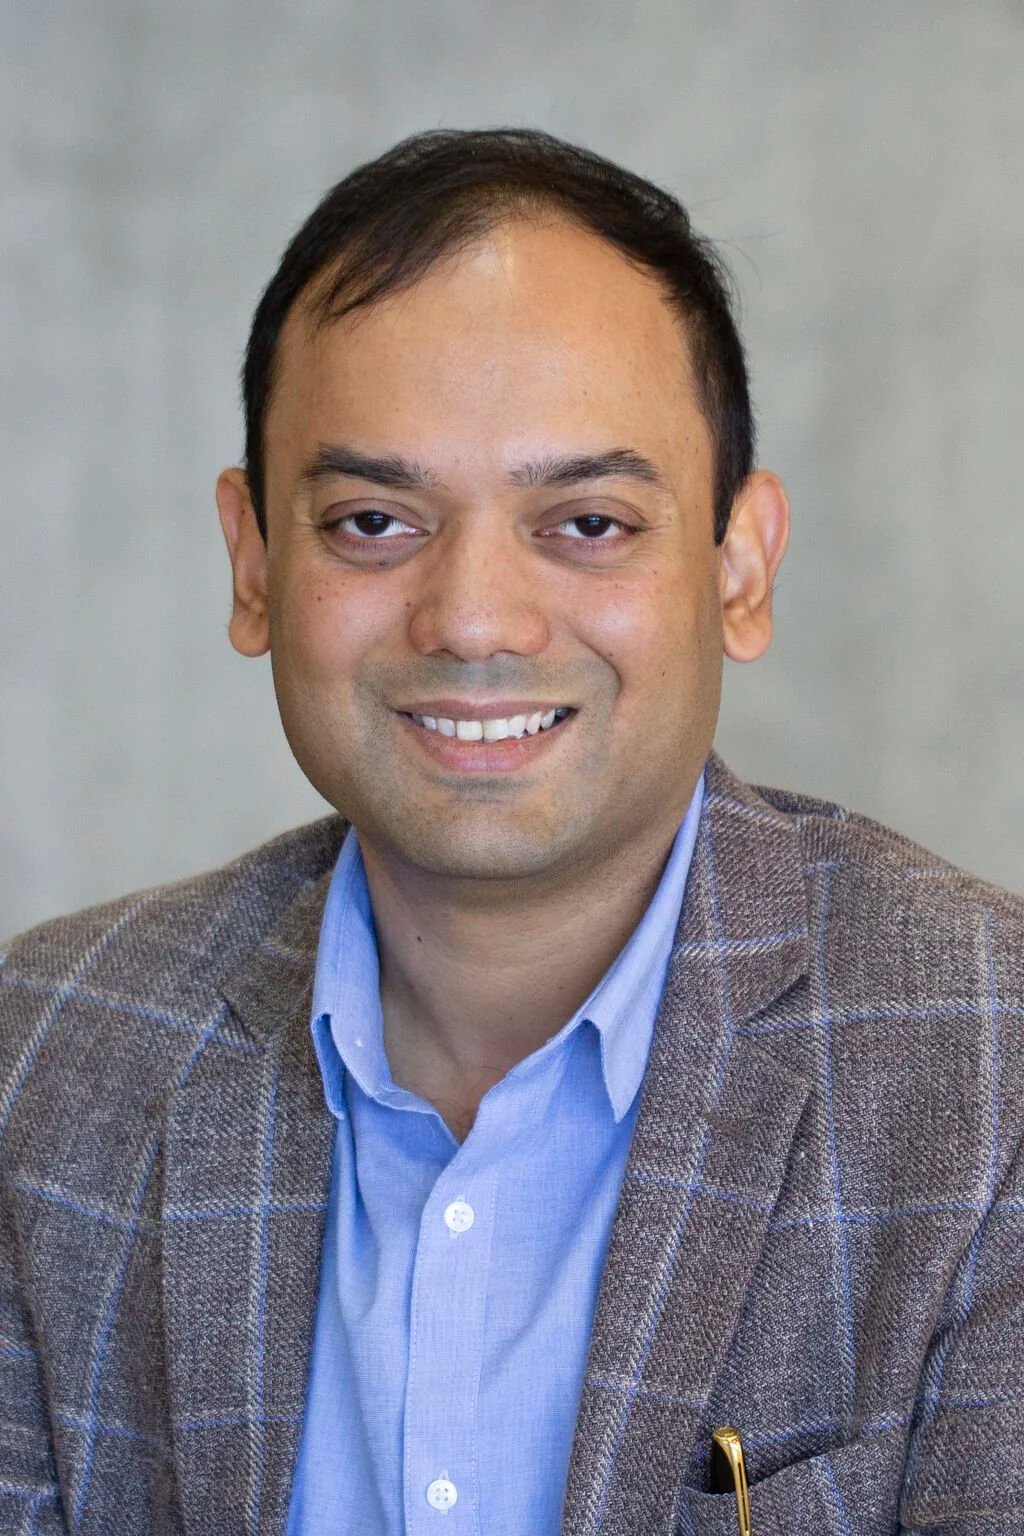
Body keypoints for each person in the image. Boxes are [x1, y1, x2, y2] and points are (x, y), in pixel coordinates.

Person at [0, 127, 1021, 1536]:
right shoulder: (42, 1064)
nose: (474, 618)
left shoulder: (994, 1071)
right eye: (372, 519)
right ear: (253, 565)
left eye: (588, 522)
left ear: (741, 566)